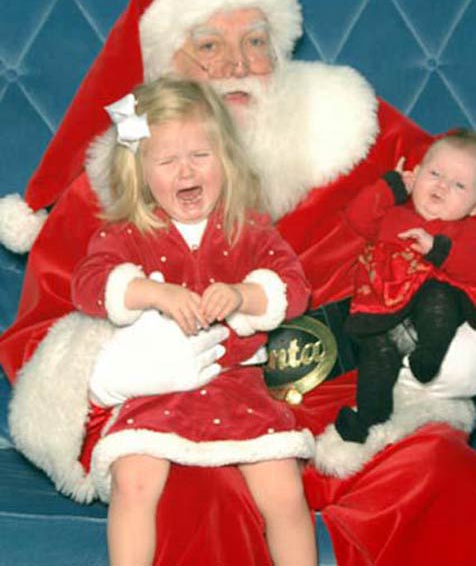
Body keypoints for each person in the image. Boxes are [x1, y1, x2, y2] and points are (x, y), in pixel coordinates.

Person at [1, 0, 476, 565]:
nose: (238, 64)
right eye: (209, 46)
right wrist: (108, 370)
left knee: (451, 481)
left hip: (364, 407)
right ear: (167, 66)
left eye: (256, 41)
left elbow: (471, 191)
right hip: (205, 417)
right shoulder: (121, 175)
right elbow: (42, 321)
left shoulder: (351, 122)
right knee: (188, 505)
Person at [72, 77, 315, 566]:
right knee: (133, 479)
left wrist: (245, 294)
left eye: (201, 155)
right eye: (167, 161)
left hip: (237, 384)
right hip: (156, 390)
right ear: (140, 172)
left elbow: (294, 288)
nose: (186, 170)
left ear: (226, 158)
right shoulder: (128, 233)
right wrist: (152, 292)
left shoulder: (248, 228)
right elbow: (88, 284)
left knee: (285, 489)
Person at [335, 130, 476, 443]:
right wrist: (391, 187)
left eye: (459, 185)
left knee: (438, 296)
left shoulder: (463, 231)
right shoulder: (394, 216)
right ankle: (368, 422)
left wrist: (437, 249)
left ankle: (430, 354)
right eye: (434, 174)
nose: (442, 186)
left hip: (432, 318)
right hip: (384, 314)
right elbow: (357, 218)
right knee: (376, 356)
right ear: (417, 173)